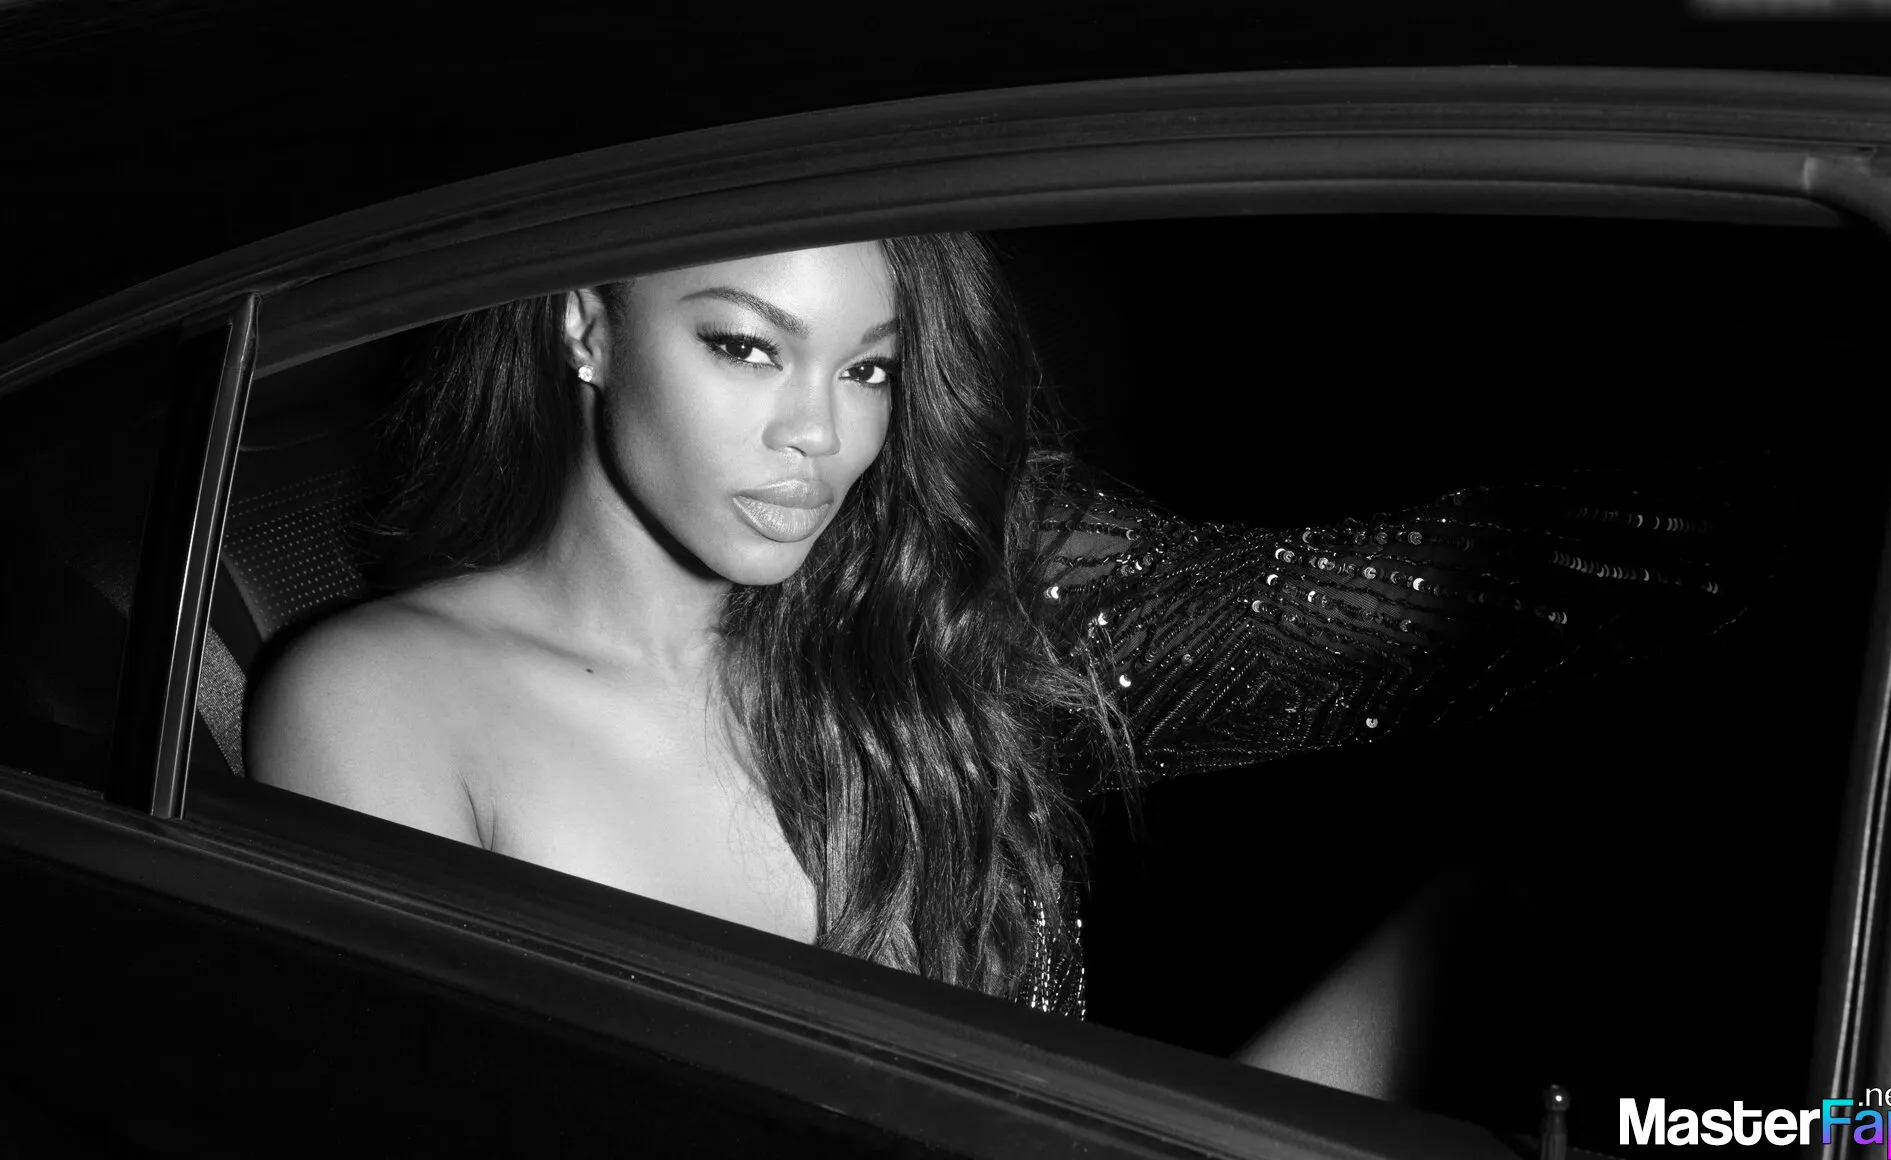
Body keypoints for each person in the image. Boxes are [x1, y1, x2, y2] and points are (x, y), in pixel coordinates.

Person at [249, 232, 1772, 1032]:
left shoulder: (926, 625)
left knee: (1530, 914)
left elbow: (1373, 610)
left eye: (868, 370)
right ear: (587, 326)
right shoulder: (381, 696)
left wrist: (1789, 526)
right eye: (745, 347)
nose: (817, 437)